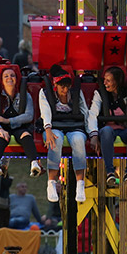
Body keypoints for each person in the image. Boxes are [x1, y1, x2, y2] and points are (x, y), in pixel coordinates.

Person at [40, 64, 95, 203]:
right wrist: (48, 129)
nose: (65, 90)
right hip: (54, 126)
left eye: (67, 87)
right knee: (55, 140)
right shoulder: (46, 93)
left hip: (74, 125)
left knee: (78, 140)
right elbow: (45, 111)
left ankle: (80, 184)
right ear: (55, 85)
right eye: (61, 87)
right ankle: (51, 182)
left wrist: (92, 133)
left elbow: (85, 111)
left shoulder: (75, 94)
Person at [0, 65, 41, 178]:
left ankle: (34, 163)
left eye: (12, 75)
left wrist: (8, 120)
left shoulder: (25, 96)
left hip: (18, 126)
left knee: (26, 135)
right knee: (2, 137)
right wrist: (0, 129)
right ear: (1, 80)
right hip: (0, 127)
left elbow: (29, 116)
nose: (9, 78)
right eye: (6, 76)